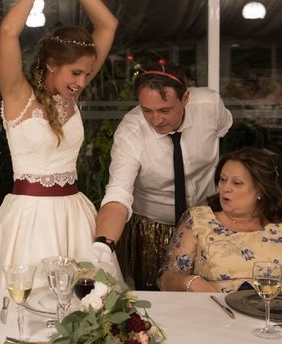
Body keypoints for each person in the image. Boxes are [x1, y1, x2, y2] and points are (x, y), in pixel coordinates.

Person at [0, 0, 119, 289]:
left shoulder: (72, 96)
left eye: (86, 73)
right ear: (52, 64)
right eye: (76, 73)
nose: (82, 82)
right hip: (28, 220)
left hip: (74, 216)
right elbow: (8, 32)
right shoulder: (17, 95)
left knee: (84, 307)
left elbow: (108, 25)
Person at [93, 64, 233, 290]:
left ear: (185, 97)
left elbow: (224, 130)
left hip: (207, 223)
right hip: (152, 229)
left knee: (210, 295)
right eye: (147, 110)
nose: (156, 120)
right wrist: (101, 247)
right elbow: (118, 193)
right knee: (156, 302)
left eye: (165, 110)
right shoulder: (130, 131)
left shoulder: (209, 106)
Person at [158, 147, 282, 292]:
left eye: (237, 183)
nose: (225, 188)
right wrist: (189, 283)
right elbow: (167, 279)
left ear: (261, 190)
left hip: (280, 314)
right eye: (223, 180)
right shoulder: (198, 221)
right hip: (217, 312)